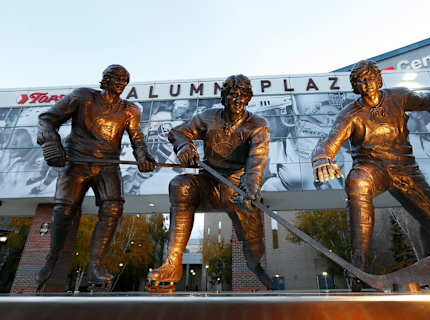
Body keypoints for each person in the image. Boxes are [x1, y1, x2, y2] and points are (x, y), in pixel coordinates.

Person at [311, 60, 430, 289]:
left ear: (379, 79)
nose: (366, 83)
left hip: (405, 169)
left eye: (370, 78)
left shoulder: (398, 97)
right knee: (357, 181)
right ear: (355, 86)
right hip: (372, 168)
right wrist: (322, 158)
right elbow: (329, 142)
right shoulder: (350, 114)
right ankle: (359, 268)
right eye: (360, 81)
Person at [147, 74, 273, 290]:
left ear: (248, 99)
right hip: (209, 183)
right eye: (233, 95)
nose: (237, 100)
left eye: (242, 96)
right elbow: (178, 132)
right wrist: (184, 146)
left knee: (253, 250)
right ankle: (172, 264)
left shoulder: (258, 125)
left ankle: (257, 269)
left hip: (238, 188)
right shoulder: (208, 117)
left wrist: (250, 189)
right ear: (224, 97)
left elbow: (256, 161)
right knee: (180, 186)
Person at [35, 64, 156, 289]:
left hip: (108, 165)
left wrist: (143, 157)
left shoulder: (130, 110)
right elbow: (46, 119)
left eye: (124, 81)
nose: (120, 84)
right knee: (64, 210)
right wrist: (51, 143)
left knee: (113, 207)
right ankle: (52, 257)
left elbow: (137, 139)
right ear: (105, 79)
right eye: (116, 79)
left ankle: (95, 265)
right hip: (77, 162)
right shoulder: (83, 97)